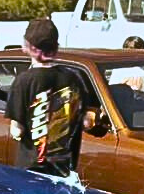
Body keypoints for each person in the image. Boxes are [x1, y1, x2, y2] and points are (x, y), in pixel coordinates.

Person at [5, 18, 86, 179]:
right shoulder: (74, 78)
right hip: (65, 168)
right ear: (56, 47)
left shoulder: (24, 81)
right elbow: (85, 122)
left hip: (32, 168)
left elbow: (17, 130)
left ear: (28, 46)